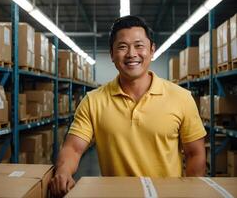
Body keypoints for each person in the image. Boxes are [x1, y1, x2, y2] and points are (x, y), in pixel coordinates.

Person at [49, 15, 206, 197]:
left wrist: (190, 193)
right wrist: (64, 171)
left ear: (152, 50)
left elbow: (195, 154)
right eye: (122, 47)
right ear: (112, 54)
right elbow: (73, 149)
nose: (131, 54)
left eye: (139, 46)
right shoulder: (93, 101)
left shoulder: (181, 98)